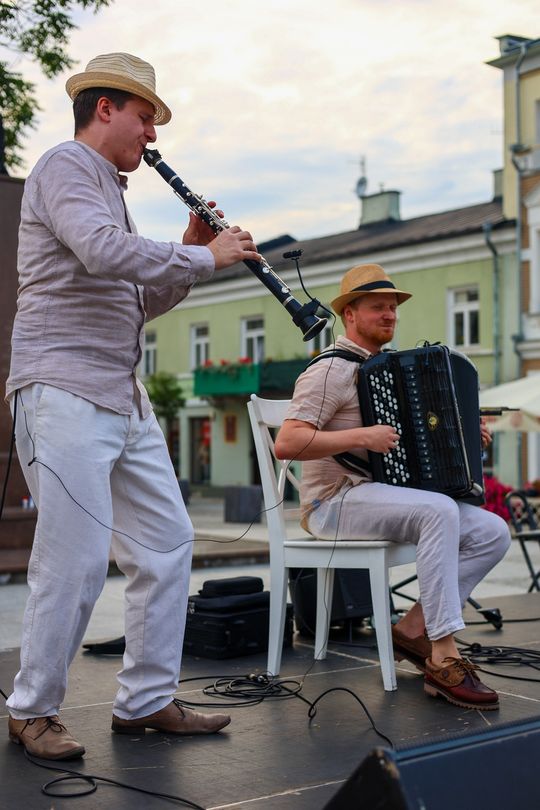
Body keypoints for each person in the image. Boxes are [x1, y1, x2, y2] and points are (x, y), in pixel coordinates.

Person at [5, 52, 263, 760]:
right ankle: (31, 711)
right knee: (78, 558)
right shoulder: (64, 167)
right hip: (62, 389)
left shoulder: (110, 191)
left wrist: (187, 252)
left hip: (122, 396)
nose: (152, 134)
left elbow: (134, 299)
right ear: (107, 107)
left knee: (167, 546)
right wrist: (209, 259)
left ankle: (146, 700)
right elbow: (100, 252)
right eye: (146, 115)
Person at [274, 263, 511, 710]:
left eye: (393, 308)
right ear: (349, 314)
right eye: (377, 307)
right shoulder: (329, 370)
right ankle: (444, 656)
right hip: (332, 503)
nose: (389, 315)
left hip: (375, 496)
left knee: (492, 532)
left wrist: (464, 435)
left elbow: (422, 441)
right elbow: (286, 443)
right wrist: (362, 436)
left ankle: (412, 629)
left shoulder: (390, 369)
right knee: (436, 511)